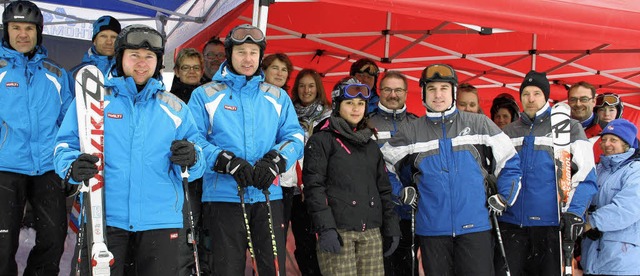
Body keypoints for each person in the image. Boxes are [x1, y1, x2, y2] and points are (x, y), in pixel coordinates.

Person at [53, 24, 206, 276]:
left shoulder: (175, 108)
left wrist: (193, 157)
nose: (142, 63)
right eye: (134, 55)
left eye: (149, 57)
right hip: (106, 220)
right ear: (120, 57)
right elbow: (63, 145)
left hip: (160, 222)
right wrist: (72, 165)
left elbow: (198, 158)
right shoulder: (95, 100)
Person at [380, 64, 523, 276]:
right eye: (432, 89)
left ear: (453, 92)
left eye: (444, 89)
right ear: (423, 94)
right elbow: (382, 164)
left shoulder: (479, 124)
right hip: (432, 230)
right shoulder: (411, 131)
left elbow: (510, 160)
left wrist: (504, 197)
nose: (438, 95)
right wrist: (400, 192)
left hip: (475, 227)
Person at [187, 24, 304, 275]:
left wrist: (276, 159)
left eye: (253, 52)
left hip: (267, 195)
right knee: (227, 269)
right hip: (222, 197)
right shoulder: (204, 94)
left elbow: (295, 136)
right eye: (241, 52)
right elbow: (193, 139)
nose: (248, 59)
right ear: (229, 55)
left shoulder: (277, 96)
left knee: (271, 269)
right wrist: (223, 160)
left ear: (261, 56)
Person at [496, 71, 597, 276]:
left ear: (546, 97)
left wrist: (575, 213)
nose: (531, 99)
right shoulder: (509, 132)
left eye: (536, 93)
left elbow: (586, 176)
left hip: (550, 225)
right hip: (511, 224)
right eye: (526, 94)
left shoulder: (569, 128)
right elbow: (496, 173)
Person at [0, 1, 73, 275]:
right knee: (1, 244)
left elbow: (69, 122)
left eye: (28, 28)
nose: (22, 34)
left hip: (48, 167)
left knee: (54, 240)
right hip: (5, 168)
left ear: (38, 32)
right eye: (15, 27)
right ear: (5, 30)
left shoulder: (55, 74)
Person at [303, 77, 400, 275]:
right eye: (349, 103)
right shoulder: (322, 140)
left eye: (361, 103)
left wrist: (391, 226)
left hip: (371, 232)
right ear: (338, 106)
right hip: (339, 231)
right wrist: (325, 228)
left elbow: (383, 189)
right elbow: (314, 187)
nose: (356, 108)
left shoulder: (370, 144)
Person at [280, 68, 331, 275]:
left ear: (317, 88)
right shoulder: (287, 112)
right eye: (301, 85)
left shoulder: (329, 116)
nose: (306, 90)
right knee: (282, 240)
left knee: (308, 242)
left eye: (311, 85)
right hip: (288, 186)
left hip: (314, 187)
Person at [368, 71, 419, 276]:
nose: (393, 95)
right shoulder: (367, 123)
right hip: (379, 212)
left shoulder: (417, 124)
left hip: (411, 212)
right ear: (379, 92)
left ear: (406, 93)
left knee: (409, 268)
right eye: (388, 89)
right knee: (383, 268)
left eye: (398, 90)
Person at [580, 119, 640, 276]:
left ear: (626, 144)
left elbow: (627, 209)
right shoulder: (598, 168)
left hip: (622, 262)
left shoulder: (635, 170)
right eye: (604, 139)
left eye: (614, 140)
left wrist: (590, 222)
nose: (607, 144)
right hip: (592, 259)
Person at [170, 47, 209, 276]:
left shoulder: (208, 97)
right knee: (186, 229)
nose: (191, 72)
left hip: (209, 176)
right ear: (177, 71)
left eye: (196, 68)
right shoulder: (170, 99)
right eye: (186, 68)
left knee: (206, 231)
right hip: (182, 175)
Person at [69, 15, 121, 82]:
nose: (109, 42)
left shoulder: (128, 71)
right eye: (103, 36)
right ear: (94, 41)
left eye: (114, 37)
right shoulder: (76, 73)